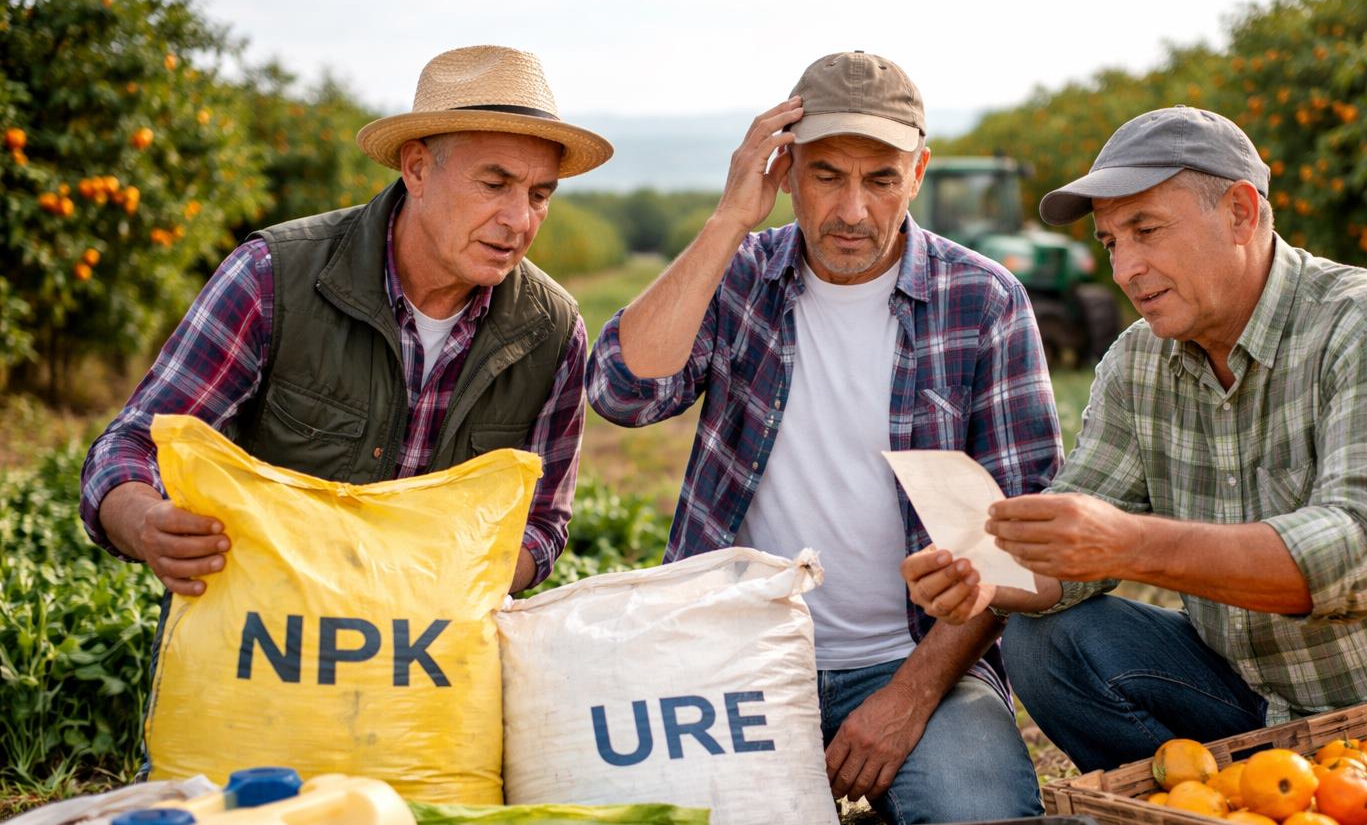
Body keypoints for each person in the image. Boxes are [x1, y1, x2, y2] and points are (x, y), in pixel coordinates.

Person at [901, 105, 1367, 773]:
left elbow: (1364, 555)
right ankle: (1201, 799)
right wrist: (981, 573)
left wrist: (1133, 542)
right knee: (1048, 639)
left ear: (1240, 214)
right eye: (1111, 243)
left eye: (1146, 230)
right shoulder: (1138, 361)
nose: (1125, 268)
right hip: (1259, 707)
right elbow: (1069, 553)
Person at [586, 51, 1060, 821]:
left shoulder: (984, 300)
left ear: (918, 172)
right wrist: (727, 221)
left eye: (881, 179)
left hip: (915, 659)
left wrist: (909, 695)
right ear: (785, 171)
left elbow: (1023, 542)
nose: (852, 210)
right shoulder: (738, 276)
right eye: (827, 175)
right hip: (734, 655)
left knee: (979, 810)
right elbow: (621, 392)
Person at [80, 45, 612, 598]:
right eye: (494, 185)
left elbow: (541, 523)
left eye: (539, 195)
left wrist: (445, 584)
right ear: (417, 169)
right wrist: (147, 522)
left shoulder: (552, 331)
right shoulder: (271, 278)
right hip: (262, 624)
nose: (519, 220)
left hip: (431, 637)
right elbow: (132, 445)